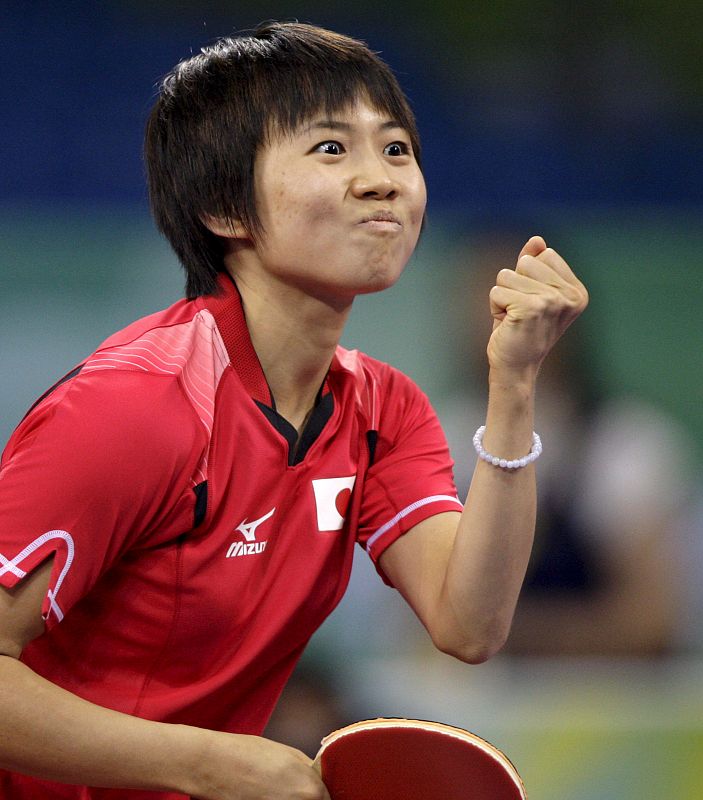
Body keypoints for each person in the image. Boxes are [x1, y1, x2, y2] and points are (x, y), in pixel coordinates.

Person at [0, 21, 587, 800]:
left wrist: (514, 386)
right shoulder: (133, 405)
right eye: (330, 149)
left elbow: (470, 624)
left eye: (396, 149)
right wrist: (213, 762)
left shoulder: (381, 409)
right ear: (221, 203)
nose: (381, 180)